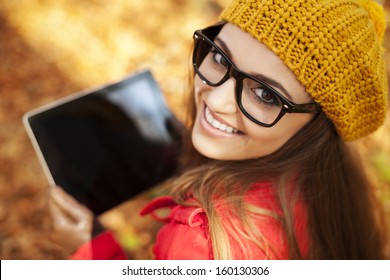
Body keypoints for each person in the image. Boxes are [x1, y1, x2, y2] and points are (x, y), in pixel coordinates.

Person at [49, 0, 389, 260]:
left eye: (266, 94)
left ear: (318, 125)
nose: (217, 99)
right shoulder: (334, 191)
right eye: (221, 60)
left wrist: (90, 249)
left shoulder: (200, 242)